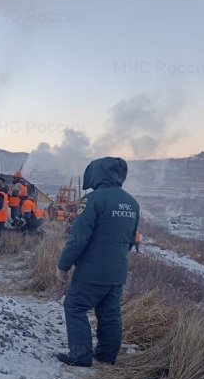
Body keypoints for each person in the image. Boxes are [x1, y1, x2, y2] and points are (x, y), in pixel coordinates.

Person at [55, 157, 140, 367]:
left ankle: (80, 357)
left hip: (91, 272)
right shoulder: (132, 203)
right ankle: (106, 356)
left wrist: (63, 265)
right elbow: (131, 240)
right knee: (110, 312)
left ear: (96, 174)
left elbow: (78, 238)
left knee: (75, 306)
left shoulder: (92, 200)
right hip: (118, 271)